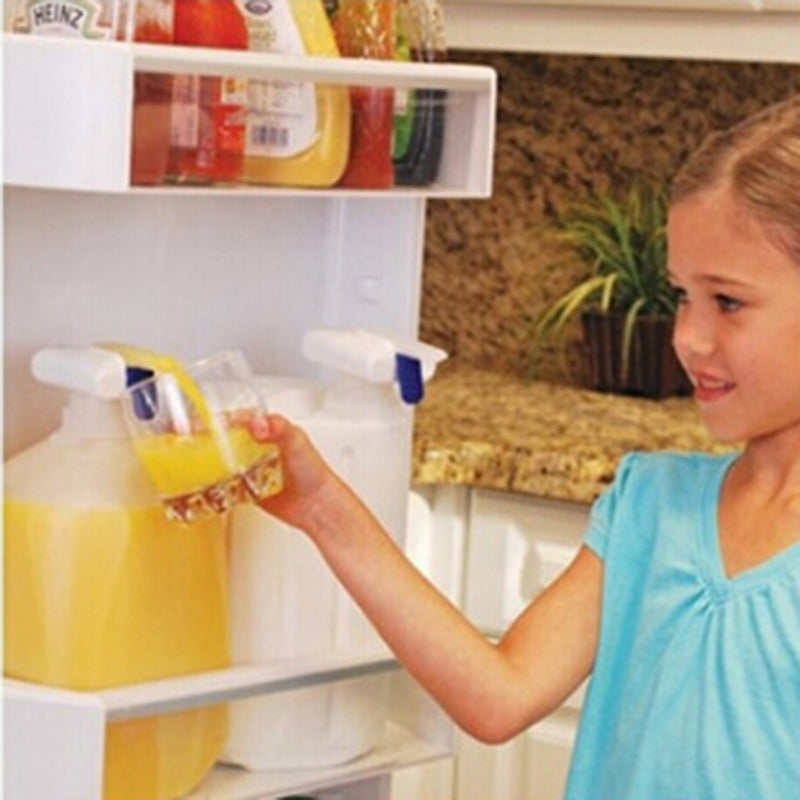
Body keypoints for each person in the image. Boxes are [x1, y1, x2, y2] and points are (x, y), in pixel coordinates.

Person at [251, 94, 800, 800]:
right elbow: (498, 696)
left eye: (727, 301)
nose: (688, 336)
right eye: (681, 296)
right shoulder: (651, 503)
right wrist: (324, 508)